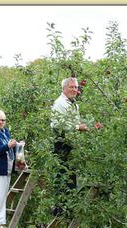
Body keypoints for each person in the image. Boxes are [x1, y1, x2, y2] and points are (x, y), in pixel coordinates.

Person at [50, 77, 88, 215]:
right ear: (64, 88)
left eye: (76, 87)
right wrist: (78, 127)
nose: (74, 90)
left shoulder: (74, 104)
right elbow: (56, 125)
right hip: (61, 143)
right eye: (71, 87)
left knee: (71, 176)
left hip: (72, 143)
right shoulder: (60, 103)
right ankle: (60, 208)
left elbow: (74, 124)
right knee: (62, 175)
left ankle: (68, 207)